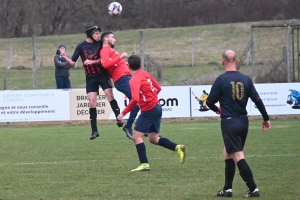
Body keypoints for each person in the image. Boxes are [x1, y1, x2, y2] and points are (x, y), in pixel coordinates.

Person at [206, 50, 271, 198]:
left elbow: (209, 102)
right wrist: (266, 118)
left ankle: (253, 188)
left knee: (237, 155)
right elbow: (258, 100)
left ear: (223, 62)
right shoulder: (246, 79)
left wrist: (218, 110)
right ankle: (227, 189)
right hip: (243, 121)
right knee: (227, 152)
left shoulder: (221, 80)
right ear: (236, 61)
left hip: (230, 122)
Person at [117, 55, 186, 171]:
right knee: (153, 138)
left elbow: (135, 100)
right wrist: (150, 97)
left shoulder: (133, 80)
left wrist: (122, 113)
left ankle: (144, 164)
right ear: (141, 65)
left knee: (136, 136)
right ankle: (177, 147)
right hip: (157, 107)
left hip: (149, 109)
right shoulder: (145, 74)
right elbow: (158, 88)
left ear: (128, 66)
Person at [61, 25, 123, 140]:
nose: (98, 35)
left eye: (99, 33)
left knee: (110, 95)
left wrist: (92, 62)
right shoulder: (81, 46)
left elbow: (104, 59)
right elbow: (72, 63)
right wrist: (65, 57)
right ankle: (94, 131)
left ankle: (118, 118)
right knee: (92, 102)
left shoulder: (100, 44)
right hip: (90, 77)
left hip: (102, 75)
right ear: (90, 34)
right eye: (96, 33)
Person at [99, 31, 140, 139]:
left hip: (126, 78)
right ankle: (131, 127)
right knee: (138, 100)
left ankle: (140, 128)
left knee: (140, 101)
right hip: (122, 79)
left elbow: (113, 64)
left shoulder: (111, 50)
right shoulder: (104, 50)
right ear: (106, 39)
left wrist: (124, 65)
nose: (115, 39)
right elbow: (106, 64)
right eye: (113, 37)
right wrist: (121, 57)